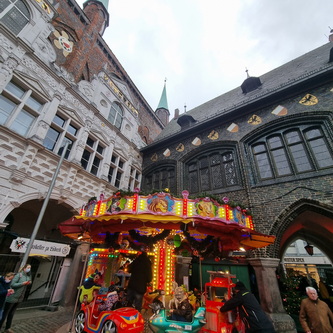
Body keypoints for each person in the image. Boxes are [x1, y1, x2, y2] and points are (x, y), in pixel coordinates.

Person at [0, 264, 32, 333]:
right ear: (24, 268)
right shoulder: (19, 275)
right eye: (28, 268)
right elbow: (12, 284)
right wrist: (22, 283)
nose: (29, 269)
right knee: (4, 314)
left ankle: (7, 328)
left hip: (19, 298)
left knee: (11, 313)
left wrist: (28, 283)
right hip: (12, 297)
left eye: (30, 268)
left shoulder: (28, 276)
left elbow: (30, 281)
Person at [126, 246, 152, 311]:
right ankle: (136, 318)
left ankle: (126, 317)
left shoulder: (137, 260)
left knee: (128, 303)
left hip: (132, 285)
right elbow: (149, 278)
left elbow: (129, 268)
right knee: (138, 305)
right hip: (140, 287)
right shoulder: (147, 263)